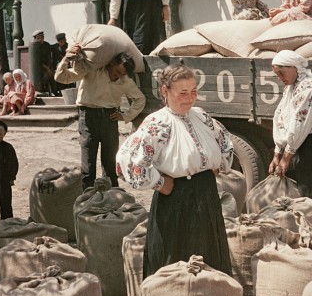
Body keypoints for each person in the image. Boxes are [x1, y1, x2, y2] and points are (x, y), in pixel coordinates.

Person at [116, 64, 233, 278]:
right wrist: (159, 182)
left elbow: (224, 141)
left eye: (194, 92)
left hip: (206, 195)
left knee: (208, 255)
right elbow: (128, 161)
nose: (189, 98)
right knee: (178, 258)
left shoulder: (200, 116)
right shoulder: (157, 123)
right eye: (183, 93)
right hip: (177, 199)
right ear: (165, 91)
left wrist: (216, 165)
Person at [54, 46, 146, 190]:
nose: (117, 77)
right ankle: (86, 202)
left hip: (109, 119)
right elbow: (61, 77)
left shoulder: (125, 81)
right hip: (88, 118)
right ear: (111, 63)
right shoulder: (92, 70)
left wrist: (125, 116)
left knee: (110, 165)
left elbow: (140, 99)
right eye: (116, 72)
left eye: (121, 75)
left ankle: (111, 201)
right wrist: (66, 59)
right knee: (88, 166)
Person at [269, 50, 312, 218]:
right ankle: (309, 218)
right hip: (303, 141)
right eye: (276, 74)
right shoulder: (291, 88)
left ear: (295, 68)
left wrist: (286, 157)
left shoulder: (309, 89)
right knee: (305, 183)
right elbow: (282, 117)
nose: (280, 77)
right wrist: (278, 152)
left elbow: (300, 124)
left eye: (281, 73)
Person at [32, 30, 55, 94]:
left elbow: (49, 57)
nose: (41, 39)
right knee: (46, 75)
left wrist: (50, 67)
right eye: (38, 38)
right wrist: (47, 69)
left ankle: (54, 90)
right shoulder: (34, 46)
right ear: (35, 38)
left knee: (54, 74)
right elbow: (38, 61)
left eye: (42, 37)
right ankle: (43, 89)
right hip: (39, 67)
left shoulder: (46, 45)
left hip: (47, 65)